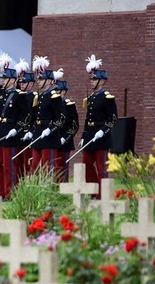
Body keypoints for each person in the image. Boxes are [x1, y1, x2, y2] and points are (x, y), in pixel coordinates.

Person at [0, 55, 32, 199]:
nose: (2, 80)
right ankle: (1, 191)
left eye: (5, 78)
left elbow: (26, 115)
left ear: (13, 80)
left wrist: (17, 129)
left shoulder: (19, 96)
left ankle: (10, 194)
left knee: (9, 165)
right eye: (2, 78)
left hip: (11, 134)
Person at [80, 54, 117, 193]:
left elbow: (113, 119)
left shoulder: (107, 97)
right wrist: (84, 135)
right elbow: (88, 119)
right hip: (90, 136)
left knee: (102, 168)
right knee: (87, 165)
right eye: (91, 78)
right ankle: (92, 191)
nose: (91, 81)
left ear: (101, 81)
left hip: (102, 137)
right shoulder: (92, 97)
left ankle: (103, 194)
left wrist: (103, 131)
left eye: (94, 79)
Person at [30, 57, 66, 180]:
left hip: (49, 136)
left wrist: (50, 129)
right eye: (38, 79)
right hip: (38, 134)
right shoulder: (40, 96)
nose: (38, 81)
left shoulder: (54, 96)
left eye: (42, 79)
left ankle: (50, 195)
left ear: (50, 81)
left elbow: (60, 117)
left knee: (49, 167)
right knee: (34, 167)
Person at [54, 78, 78, 182]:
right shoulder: (53, 104)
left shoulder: (69, 105)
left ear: (63, 91)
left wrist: (65, 138)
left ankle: (63, 189)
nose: (55, 92)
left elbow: (74, 126)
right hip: (52, 139)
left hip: (64, 142)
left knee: (62, 168)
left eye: (57, 90)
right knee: (52, 168)